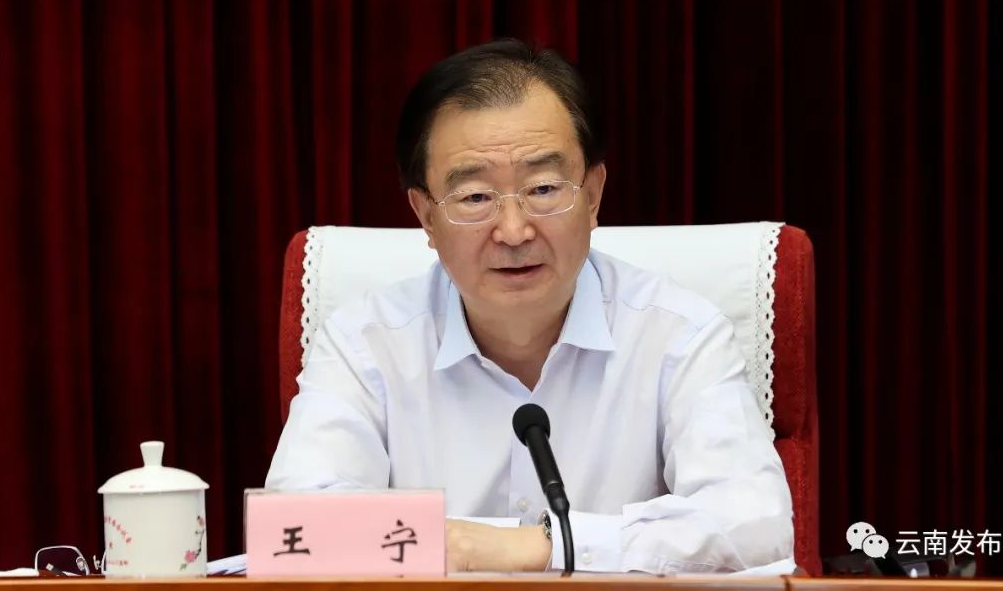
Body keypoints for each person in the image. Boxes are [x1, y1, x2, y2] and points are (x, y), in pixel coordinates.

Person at [266, 39, 794, 574]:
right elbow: (296, 528)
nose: (514, 231)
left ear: (593, 195)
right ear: (426, 216)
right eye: (475, 197)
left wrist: (543, 546)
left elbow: (756, 527)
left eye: (543, 188)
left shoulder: (680, 334)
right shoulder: (364, 344)